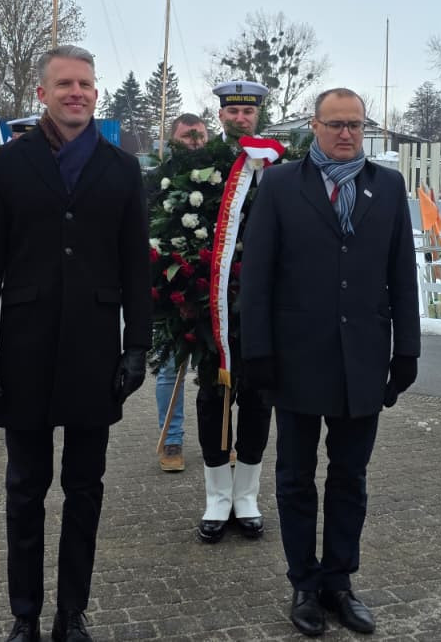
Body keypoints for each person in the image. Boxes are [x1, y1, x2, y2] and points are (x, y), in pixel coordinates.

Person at [0, 45, 150, 642]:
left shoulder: (122, 168)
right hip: (24, 348)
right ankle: (25, 614)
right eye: (65, 84)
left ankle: (73, 612)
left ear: (97, 93)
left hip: (96, 350)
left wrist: (137, 344)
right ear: (42, 93)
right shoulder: (8, 163)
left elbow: (133, 266)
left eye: (86, 84)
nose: (78, 92)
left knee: (86, 490)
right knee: (24, 489)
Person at [240, 88, 420, 637]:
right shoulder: (279, 185)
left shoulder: (386, 186)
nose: (346, 134)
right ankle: (304, 583)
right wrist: (259, 353)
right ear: (314, 126)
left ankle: (339, 580)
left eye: (356, 125)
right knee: (296, 478)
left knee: (350, 477)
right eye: (336, 124)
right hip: (295, 359)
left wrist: (406, 349)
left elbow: (402, 275)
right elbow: (257, 276)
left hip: (362, 358)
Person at [168, 82, 278, 543]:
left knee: (256, 400)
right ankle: (217, 496)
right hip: (209, 309)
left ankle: (247, 494)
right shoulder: (202, 166)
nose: (238, 119)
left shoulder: (275, 167)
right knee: (212, 400)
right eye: (231, 111)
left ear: (258, 116)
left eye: (246, 112)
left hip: (260, 311)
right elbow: (175, 224)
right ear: (221, 116)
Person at [151, 113, 210, 474]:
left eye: (200, 136)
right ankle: (171, 438)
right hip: (168, 290)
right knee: (170, 369)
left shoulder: (220, 176)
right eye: (188, 136)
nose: (195, 142)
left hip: (210, 287)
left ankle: (216, 439)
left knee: (213, 369)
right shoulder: (157, 180)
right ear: (173, 139)